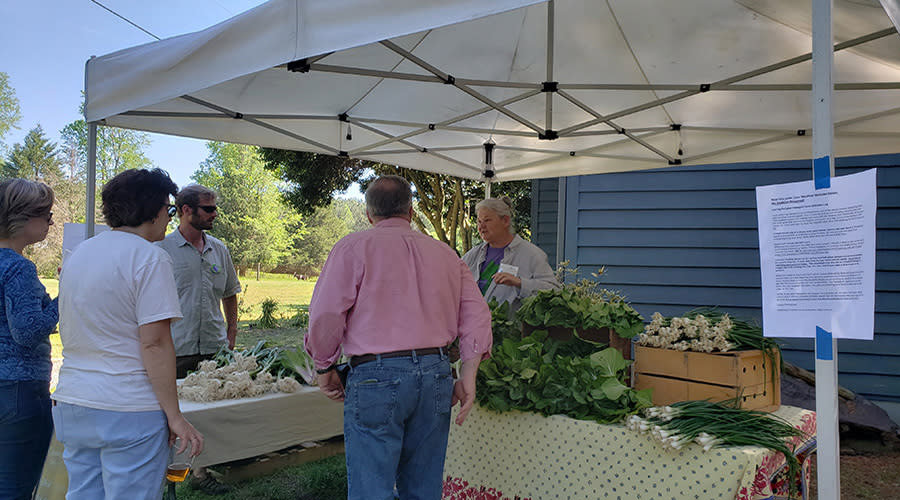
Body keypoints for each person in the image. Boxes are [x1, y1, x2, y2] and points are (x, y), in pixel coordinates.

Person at [305, 175, 492, 500]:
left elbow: (325, 314)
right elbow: (477, 315)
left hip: (376, 375)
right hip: (436, 373)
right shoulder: (446, 255)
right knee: (423, 488)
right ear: (411, 210)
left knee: (371, 490)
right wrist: (469, 375)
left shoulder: (353, 247)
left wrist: (324, 367)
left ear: (368, 214)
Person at [52, 169, 203, 500]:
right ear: (153, 209)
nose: (169, 216)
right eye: (169, 208)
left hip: (74, 400)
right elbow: (155, 342)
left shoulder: (80, 255)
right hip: (127, 406)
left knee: (83, 494)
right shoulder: (149, 257)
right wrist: (175, 417)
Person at [156, 183, 239, 494]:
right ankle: (166, 478)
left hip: (214, 347)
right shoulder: (161, 250)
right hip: (175, 349)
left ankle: (202, 473)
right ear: (186, 210)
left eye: (215, 207)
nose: (214, 214)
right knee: (169, 417)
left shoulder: (220, 250)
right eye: (209, 208)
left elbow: (231, 293)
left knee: (209, 414)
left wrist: (231, 332)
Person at [0, 179, 59, 500]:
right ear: (22, 217)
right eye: (47, 215)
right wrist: (67, 298)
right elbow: (27, 332)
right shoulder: (19, 268)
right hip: (20, 390)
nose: (51, 222)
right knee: (15, 488)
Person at [461, 197, 559, 312]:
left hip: (511, 328)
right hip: (473, 326)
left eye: (487, 220)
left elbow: (554, 291)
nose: (481, 227)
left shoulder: (532, 254)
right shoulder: (473, 255)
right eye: (479, 221)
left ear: (505, 221)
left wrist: (520, 283)